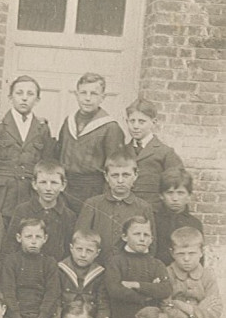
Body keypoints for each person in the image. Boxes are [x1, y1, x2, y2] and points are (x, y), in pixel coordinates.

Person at [0, 75, 55, 222]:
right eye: (19, 93)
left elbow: (45, 165)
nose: (24, 98)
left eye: (30, 94)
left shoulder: (42, 128)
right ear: (10, 97)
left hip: (28, 197)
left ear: (37, 100)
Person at [56, 73, 125, 213]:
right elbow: (58, 152)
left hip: (93, 189)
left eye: (94, 93)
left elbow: (114, 167)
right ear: (76, 94)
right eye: (83, 93)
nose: (87, 98)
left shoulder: (110, 127)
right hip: (66, 188)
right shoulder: (69, 122)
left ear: (102, 97)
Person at [104, 215, 171, 318]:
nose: (142, 238)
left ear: (152, 239)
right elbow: (115, 290)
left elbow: (165, 289)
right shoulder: (115, 262)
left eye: (146, 235)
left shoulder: (156, 264)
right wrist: (149, 293)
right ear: (124, 236)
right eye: (137, 234)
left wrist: (137, 285)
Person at [75, 154, 155, 263]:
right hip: (98, 268)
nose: (120, 181)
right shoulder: (92, 204)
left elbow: (151, 246)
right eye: (115, 175)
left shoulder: (143, 207)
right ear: (106, 176)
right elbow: (80, 240)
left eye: (126, 175)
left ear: (135, 175)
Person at [3, 160, 76, 262]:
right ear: (34, 184)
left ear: (63, 185)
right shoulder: (22, 210)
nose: (48, 188)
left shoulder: (68, 216)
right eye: (43, 182)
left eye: (54, 183)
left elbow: (68, 250)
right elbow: (10, 245)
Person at [124, 98, 183, 205]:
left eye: (141, 122)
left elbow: (177, 185)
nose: (136, 126)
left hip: (153, 211)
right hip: (125, 210)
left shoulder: (165, 153)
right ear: (127, 121)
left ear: (153, 122)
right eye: (132, 121)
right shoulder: (121, 152)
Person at [56, 230, 111, 318]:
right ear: (71, 248)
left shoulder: (99, 273)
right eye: (79, 249)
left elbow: (103, 302)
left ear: (97, 253)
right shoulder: (60, 269)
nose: (83, 254)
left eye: (89, 251)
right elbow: (55, 299)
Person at [153, 168, 203, 266]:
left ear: (189, 196)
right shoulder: (154, 220)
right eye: (170, 193)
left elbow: (199, 257)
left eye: (180, 193)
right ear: (161, 195)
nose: (175, 198)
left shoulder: (194, 223)